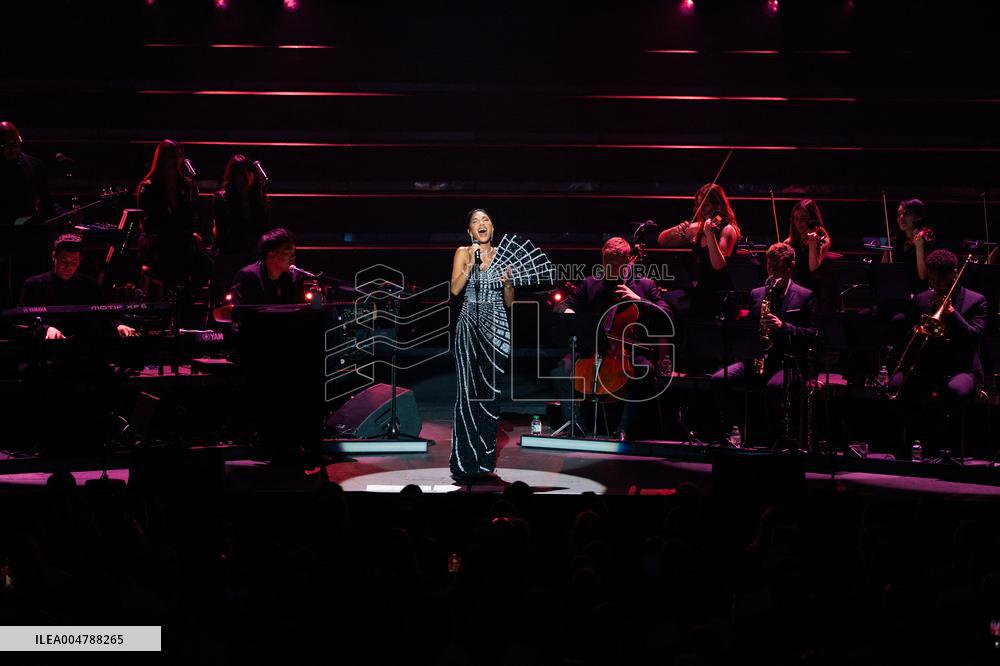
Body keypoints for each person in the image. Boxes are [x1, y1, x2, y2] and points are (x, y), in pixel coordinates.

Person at [559, 236, 672, 439]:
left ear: (628, 261)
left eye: (615, 264)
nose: (609, 268)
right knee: (560, 369)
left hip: (629, 352)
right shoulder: (591, 283)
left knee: (645, 370)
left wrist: (639, 300)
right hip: (591, 349)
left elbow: (666, 314)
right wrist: (569, 313)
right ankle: (577, 424)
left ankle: (624, 428)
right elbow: (564, 305)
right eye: (606, 262)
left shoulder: (644, 285)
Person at [710, 242, 817, 446]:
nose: (772, 274)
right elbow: (748, 328)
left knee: (774, 388)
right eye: (770, 268)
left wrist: (783, 325)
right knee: (718, 380)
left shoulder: (805, 296)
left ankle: (778, 441)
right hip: (758, 358)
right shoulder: (757, 294)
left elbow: (813, 333)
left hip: (788, 361)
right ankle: (738, 431)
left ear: (790, 266)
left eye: (777, 269)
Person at [888, 249, 986, 456]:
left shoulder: (976, 301)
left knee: (952, 391)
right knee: (898, 386)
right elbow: (911, 337)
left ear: (955, 274)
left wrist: (952, 314)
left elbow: (974, 337)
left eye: (941, 279)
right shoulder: (922, 299)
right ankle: (907, 447)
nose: (936, 285)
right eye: (932, 279)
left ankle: (946, 449)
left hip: (963, 368)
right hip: (929, 366)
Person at [449, 208, 514, 481]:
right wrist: (472, 265)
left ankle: (485, 464)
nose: (481, 224)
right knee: (467, 393)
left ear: (493, 226)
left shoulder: (504, 256)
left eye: (486, 219)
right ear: (469, 231)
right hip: (469, 326)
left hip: (497, 327)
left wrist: (508, 283)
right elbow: (454, 289)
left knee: (490, 396)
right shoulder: (463, 252)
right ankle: (464, 463)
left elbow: (510, 301)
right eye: (475, 222)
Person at [19, 233, 137, 339]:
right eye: (63, 260)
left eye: (73, 262)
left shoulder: (90, 285)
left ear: (80, 260)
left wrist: (119, 325)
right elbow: (25, 319)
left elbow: (105, 314)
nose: (68, 266)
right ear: (54, 256)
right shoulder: (34, 285)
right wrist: (46, 329)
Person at [136, 140, 209, 292]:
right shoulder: (149, 187)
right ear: (161, 159)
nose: (175, 161)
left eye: (177, 157)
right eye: (171, 157)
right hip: (160, 243)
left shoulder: (186, 186)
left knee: (207, 261)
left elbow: (193, 216)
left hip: (181, 241)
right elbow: (153, 222)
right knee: (178, 259)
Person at [229, 228, 305, 306]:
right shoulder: (247, 277)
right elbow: (238, 313)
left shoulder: (295, 277)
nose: (293, 257)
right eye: (287, 252)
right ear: (271, 255)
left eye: (293, 252)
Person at [0, 121, 54, 226]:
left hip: (29, 227)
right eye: (5, 144)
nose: (11, 148)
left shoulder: (34, 165)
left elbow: (47, 202)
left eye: (14, 143)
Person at [884, 198, 934, 293]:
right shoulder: (892, 242)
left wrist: (919, 248)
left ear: (919, 217)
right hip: (896, 293)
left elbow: (923, 276)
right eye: (898, 215)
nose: (901, 218)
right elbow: (883, 271)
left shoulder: (927, 241)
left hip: (919, 295)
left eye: (907, 214)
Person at [783, 199, 832, 292]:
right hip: (796, 290)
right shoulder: (789, 242)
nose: (798, 223)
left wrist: (812, 242)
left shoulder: (823, 240)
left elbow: (813, 267)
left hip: (816, 290)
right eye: (796, 218)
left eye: (803, 218)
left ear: (812, 220)